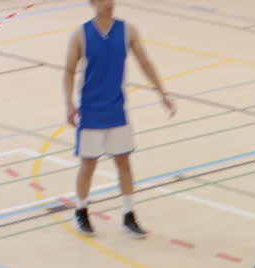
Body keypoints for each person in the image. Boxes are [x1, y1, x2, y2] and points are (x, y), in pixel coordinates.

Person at [63, 0, 175, 238]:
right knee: (88, 165)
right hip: (91, 112)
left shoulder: (128, 31)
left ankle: (128, 215)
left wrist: (161, 92)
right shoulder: (80, 35)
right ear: (93, 3)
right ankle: (81, 211)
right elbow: (69, 71)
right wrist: (69, 103)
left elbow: (145, 63)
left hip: (116, 111)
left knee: (123, 163)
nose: (110, 2)